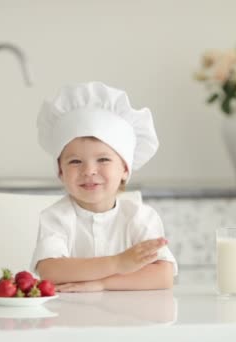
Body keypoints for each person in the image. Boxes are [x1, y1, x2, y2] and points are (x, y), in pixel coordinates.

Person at [31, 81, 178, 292]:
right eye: (75, 161)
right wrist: (118, 263)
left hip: (129, 320)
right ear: (60, 172)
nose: (89, 170)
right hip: (70, 319)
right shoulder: (55, 217)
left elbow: (163, 276)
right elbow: (51, 271)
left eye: (103, 160)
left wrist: (102, 284)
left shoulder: (140, 218)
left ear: (125, 170)